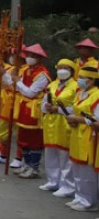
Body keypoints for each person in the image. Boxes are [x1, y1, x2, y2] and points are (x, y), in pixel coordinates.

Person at [10, 44, 51, 179]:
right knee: (22, 138)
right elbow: (15, 86)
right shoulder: (25, 70)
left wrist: (17, 81)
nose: (29, 58)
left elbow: (31, 93)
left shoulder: (42, 74)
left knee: (34, 139)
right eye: (28, 55)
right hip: (23, 107)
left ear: (39, 58)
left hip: (34, 109)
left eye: (33, 56)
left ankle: (34, 167)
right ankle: (26, 164)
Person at [64, 63, 99, 212]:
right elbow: (75, 109)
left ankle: (88, 201)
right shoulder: (81, 93)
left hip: (89, 135)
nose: (80, 80)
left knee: (87, 171)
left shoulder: (97, 95)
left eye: (83, 78)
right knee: (77, 167)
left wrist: (78, 119)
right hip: (78, 133)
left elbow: (96, 118)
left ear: (91, 80)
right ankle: (79, 196)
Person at [40, 59, 78, 195]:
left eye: (66, 68)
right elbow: (43, 102)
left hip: (65, 122)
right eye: (60, 67)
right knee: (51, 153)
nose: (62, 70)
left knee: (65, 154)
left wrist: (59, 110)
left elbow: (76, 107)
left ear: (72, 71)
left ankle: (67, 185)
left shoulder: (76, 86)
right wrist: (47, 106)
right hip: (50, 122)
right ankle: (52, 181)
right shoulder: (52, 84)